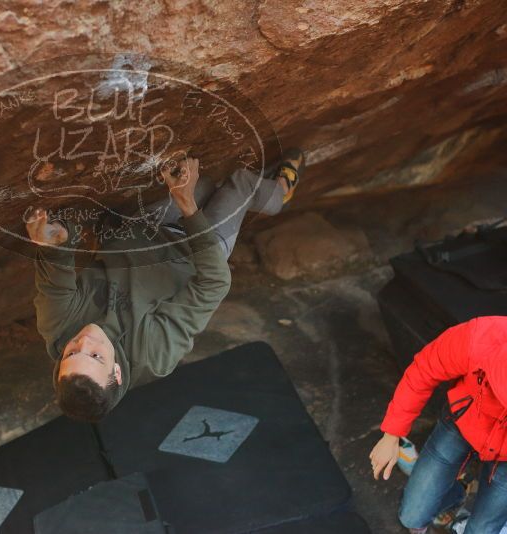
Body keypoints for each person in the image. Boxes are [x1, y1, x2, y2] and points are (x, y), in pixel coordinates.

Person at [27, 150, 305, 422]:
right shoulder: (153, 353)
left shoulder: (58, 328)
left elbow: (56, 276)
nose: (84, 341)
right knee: (242, 183)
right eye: (96, 355)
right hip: (195, 255)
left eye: (72, 354)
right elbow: (214, 283)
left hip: (144, 232)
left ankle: (220, 193)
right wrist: (187, 206)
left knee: (205, 183)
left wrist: (53, 245)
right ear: (117, 372)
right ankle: (279, 192)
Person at [370, 316, 507, 534]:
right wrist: (391, 435)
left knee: (483, 529)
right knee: (411, 515)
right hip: (462, 421)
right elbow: (423, 371)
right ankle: (455, 495)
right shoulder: (479, 337)